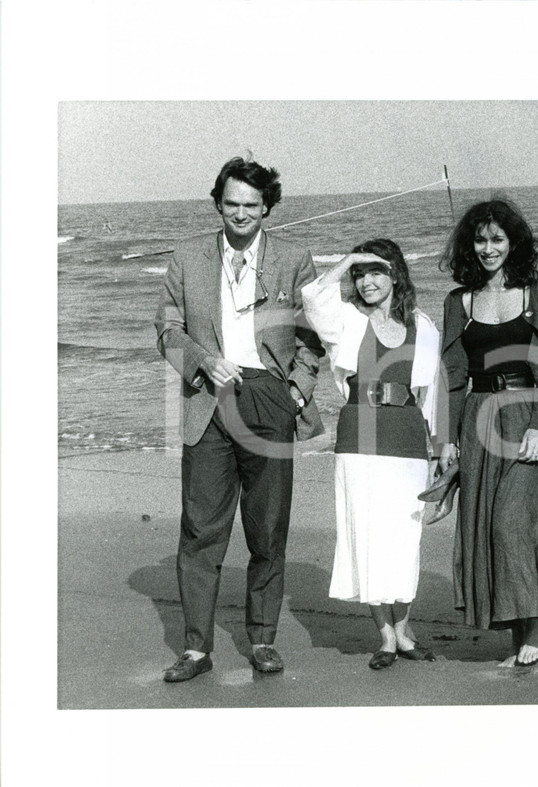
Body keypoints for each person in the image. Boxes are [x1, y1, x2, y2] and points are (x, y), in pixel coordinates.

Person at [154, 157, 324, 682]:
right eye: (231, 204)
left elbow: (315, 337)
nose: (241, 214)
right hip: (209, 400)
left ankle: (263, 639)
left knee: (267, 528)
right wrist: (204, 362)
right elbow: (167, 331)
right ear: (218, 204)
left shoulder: (294, 258)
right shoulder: (187, 256)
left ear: (267, 207)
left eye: (251, 204)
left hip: (271, 398)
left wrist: (296, 391)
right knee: (200, 530)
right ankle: (196, 649)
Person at [438, 198, 538, 667]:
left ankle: (536, 628)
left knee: (514, 524)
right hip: (477, 419)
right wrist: (446, 439)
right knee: (488, 528)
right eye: (480, 239)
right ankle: (517, 635)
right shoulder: (459, 301)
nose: (488, 248)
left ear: (515, 243)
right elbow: (453, 375)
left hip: (524, 414)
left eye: (497, 239)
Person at [301, 239, 441, 670]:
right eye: (360, 275)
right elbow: (314, 298)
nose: (367, 282)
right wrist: (348, 260)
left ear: (396, 274)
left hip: (407, 436)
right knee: (367, 533)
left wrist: (439, 449)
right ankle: (386, 636)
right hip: (358, 435)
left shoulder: (423, 325)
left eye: (377, 271)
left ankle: (404, 631)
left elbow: (433, 393)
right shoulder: (346, 319)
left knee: (405, 536)